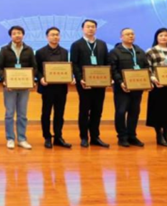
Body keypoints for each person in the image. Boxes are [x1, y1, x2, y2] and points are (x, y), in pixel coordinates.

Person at [70, 19, 111, 148]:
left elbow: (107, 62)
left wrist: (108, 78)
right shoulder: (77, 44)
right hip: (84, 83)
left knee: (97, 110)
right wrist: (79, 78)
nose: (90, 29)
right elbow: (74, 64)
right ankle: (83, 137)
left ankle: (95, 137)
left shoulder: (102, 44)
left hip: (100, 82)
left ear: (96, 29)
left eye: (93, 27)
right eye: (88, 27)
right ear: (83, 29)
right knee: (84, 110)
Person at [0, 25, 37, 150]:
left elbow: (34, 67)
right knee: (9, 114)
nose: (17, 35)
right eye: (14, 33)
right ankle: (10, 138)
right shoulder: (4, 50)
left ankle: (22, 139)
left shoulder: (29, 50)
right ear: (11, 36)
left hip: (24, 87)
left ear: (23, 35)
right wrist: (5, 80)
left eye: (19, 33)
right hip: (10, 87)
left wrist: (31, 80)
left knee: (22, 114)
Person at [108, 28, 150, 147]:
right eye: (127, 34)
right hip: (122, 88)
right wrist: (120, 82)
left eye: (132, 34)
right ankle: (122, 137)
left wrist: (147, 81)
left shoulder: (140, 51)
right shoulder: (115, 52)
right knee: (121, 112)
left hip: (137, 88)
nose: (130, 36)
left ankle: (132, 135)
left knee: (134, 112)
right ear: (121, 37)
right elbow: (113, 69)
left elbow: (146, 67)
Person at [35, 27, 74, 149]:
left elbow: (67, 68)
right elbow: (36, 69)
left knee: (59, 113)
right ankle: (47, 137)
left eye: (57, 35)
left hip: (61, 88)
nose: (55, 37)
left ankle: (58, 137)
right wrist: (41, 78)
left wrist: (70, 77)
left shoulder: (64, 51)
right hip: (47, 88)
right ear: (47, 37)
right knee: (46, 113)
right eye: (52, 35)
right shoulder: (40, 52)